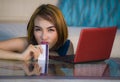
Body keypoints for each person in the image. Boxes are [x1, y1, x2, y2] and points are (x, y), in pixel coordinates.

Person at [0, 4, 74, 61]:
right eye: (38, 29)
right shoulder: (25, 43)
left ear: (60, 30)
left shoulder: (67, 46)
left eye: (50, 30)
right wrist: (21, 57)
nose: (44, 37)